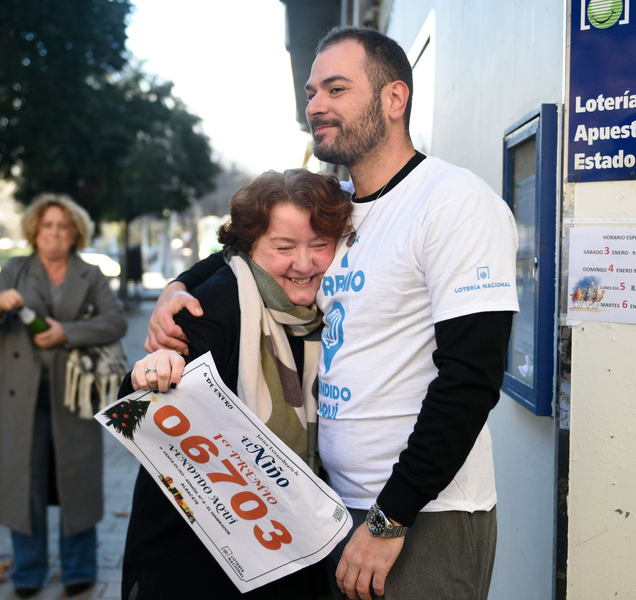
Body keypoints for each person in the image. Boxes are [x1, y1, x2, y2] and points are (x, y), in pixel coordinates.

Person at [145, 26, 519, 600]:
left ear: (394, 99)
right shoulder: (338, 212)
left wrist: (390, 518)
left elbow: (471, 378)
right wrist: (176, 287)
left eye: (336, 89)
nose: (316, 105)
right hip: (335, 508)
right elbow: (245, 247)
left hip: (424, 512)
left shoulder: (454, 203)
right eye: (312, 91)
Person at [118, 169, 352, 600]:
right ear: (249, 247)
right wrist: (150, 372)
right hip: (192, 567)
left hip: (288, 559)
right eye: (283, 248)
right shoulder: (213, 304)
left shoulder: (330, 310)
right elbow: (134, 405)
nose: (304, 264)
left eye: (320, 246)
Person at [0, 194, 127, 598]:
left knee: (76, 481)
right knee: (24, 482)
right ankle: (28, 571)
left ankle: (79, 568)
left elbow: (115, 321)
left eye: (63, 227)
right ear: (34, 232)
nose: (55, 234)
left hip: (73, 396)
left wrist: (67, 332)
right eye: (47, 227)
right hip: (17, 397)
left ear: (74, 232)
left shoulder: (89, 274)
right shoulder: (15, 269)